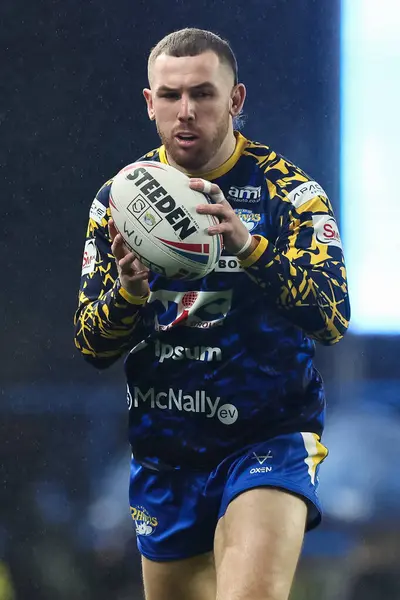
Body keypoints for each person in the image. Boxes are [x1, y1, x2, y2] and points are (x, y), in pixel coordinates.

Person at [74, 27, 350, 600]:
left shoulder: (290, 194)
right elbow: (91, 345)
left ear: (235, 100)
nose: (186, 111)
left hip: (265, 440)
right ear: (150, 103)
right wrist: (128, 293)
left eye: (203, 93)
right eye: (170, 96)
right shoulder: (119, 201)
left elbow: (333, 316)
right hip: (167, 452)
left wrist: (252, 250)